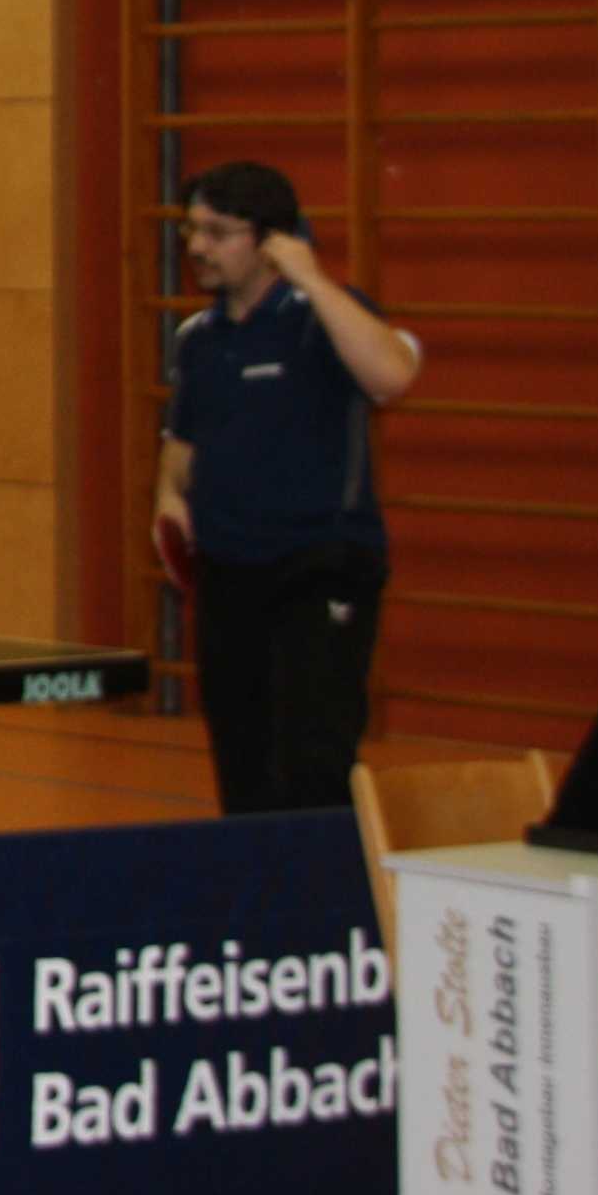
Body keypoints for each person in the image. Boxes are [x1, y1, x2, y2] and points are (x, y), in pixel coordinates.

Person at [153, 161, 418, 816]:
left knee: (313, 758)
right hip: (228, 573)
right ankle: (256, 882)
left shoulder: (323, 319)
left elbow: (391, 376)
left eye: (218, 232)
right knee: (241, 762)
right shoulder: (198, 339)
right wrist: (168, 497)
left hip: (320, 567)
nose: (197, 247)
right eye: (192, 230)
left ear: (272, 240)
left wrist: (312, 279)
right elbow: (184, 444)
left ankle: (328, 881)